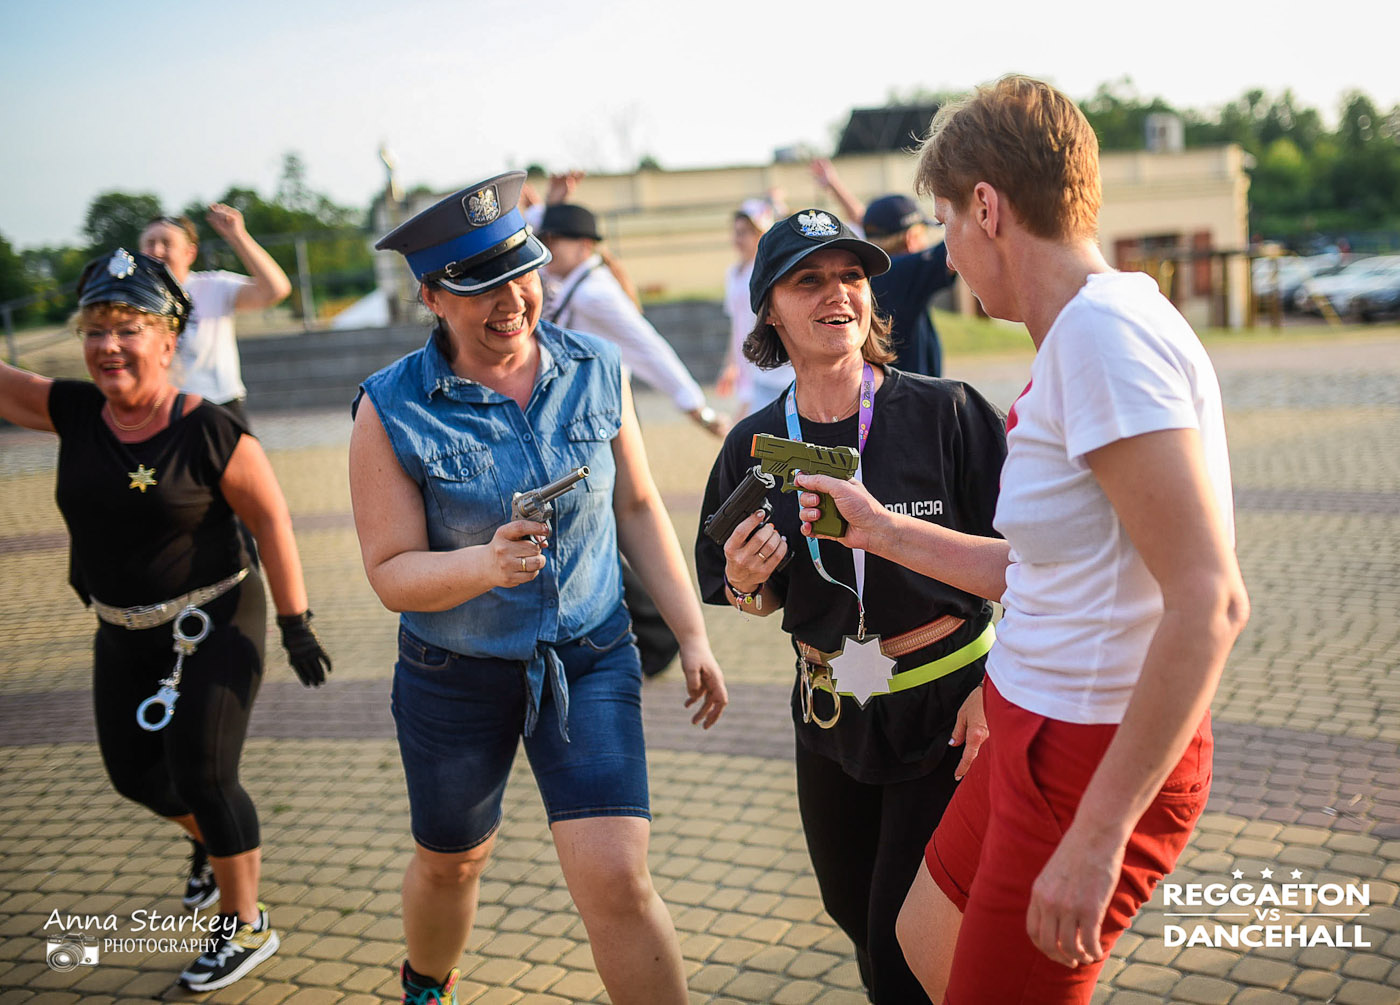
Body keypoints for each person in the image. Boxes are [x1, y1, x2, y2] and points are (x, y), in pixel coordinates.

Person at [794, 76, 1250, 1003]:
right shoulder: (1085, 333)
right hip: (1028, 724)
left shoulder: (1105, 341)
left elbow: (1210, 600)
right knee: (920, 939)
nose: (951, 256)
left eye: (947, 225)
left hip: (1088, 750)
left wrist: (1098, 836)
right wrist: (879, 531)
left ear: (988, 208)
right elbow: (1051, 568)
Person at [348, 170, 729, 1005]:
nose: (512, 299)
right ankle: (427, 983)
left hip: (590, 658)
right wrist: (481, 565)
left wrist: (693, 633)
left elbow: (637, 504)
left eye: (522, 271)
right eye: (478, 285)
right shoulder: (390, 408)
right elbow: (389, 573)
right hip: (455, 677)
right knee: (453, 863)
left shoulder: (597, 366)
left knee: (618, 877)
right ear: (430, 296)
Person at [695, 208, 1007, 1004]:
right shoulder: (751, 444)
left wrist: (997, 692)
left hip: (947, 712)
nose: (837, 293)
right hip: (830, 712)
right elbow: (751, 595)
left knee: (904, 942)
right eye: (809, 280)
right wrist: (746, 580)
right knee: (854, 913)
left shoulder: (948, 411)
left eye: (851, 276)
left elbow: (1041, 569)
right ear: (770, 309)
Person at [0, 249, 332, 992]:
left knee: (205, 774)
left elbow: (272, 521)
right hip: (120, 630)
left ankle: (244, 923)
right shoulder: (72, 411)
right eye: (95, 330)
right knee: (136, 776)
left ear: (168, 339)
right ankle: (217, 846)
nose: (108, 346)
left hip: (213, 621)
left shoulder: (210, 429)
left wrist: (296, 622)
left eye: (128, 329)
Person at [534, 200, 730, 677]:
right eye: (545, 239)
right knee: (599, 522)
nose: (546, 248)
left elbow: (651, 350)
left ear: (584, 246)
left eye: (554, 241)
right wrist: (547, 200)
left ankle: (659, 636)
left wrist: (700, 412)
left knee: (613, 521)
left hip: (603, 421)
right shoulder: (574, 282)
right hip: (579, 420)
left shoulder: (594, 293)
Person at [139, 205, 293, 426]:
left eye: (166, 243)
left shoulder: (213, 286)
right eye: (150, 243)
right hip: (161, 407)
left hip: (217, 404)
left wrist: (237, 236)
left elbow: (275, 290)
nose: (157, 250)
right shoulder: (133, 298)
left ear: (190, 253)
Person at [812, 158, 957, 377]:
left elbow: (866, 221)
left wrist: (833, 185)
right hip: (912, 389)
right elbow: (962, 238)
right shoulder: (906, 271)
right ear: (910, 239)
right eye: (922, 234)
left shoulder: (867, 272)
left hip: (874, 386)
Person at [716, 197, 795, 418]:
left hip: (766, 363)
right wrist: (730, 365)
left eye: (745, 232)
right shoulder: (733, 273)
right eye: (737, 232)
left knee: (745, 426)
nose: (738, 239)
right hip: (746, 364)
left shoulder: (769, 273)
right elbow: (736, 324)